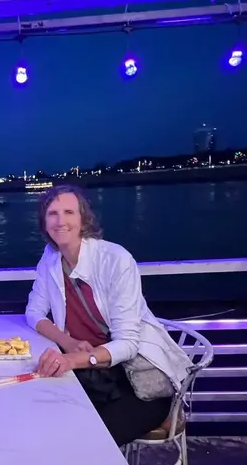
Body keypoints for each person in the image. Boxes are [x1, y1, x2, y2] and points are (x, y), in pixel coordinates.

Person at [25, 184, 193, 446]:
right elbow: (34, 312)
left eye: (69, 212)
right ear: (44, 223)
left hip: (140, 381)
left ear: (83, 219)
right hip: (93, 376)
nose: (60, 221)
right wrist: (69, 343)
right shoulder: (50, 258)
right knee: (43, 418)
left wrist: (72, 359)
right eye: (52, 213)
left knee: (85, 442)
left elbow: (128, 344)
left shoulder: (115, 259)